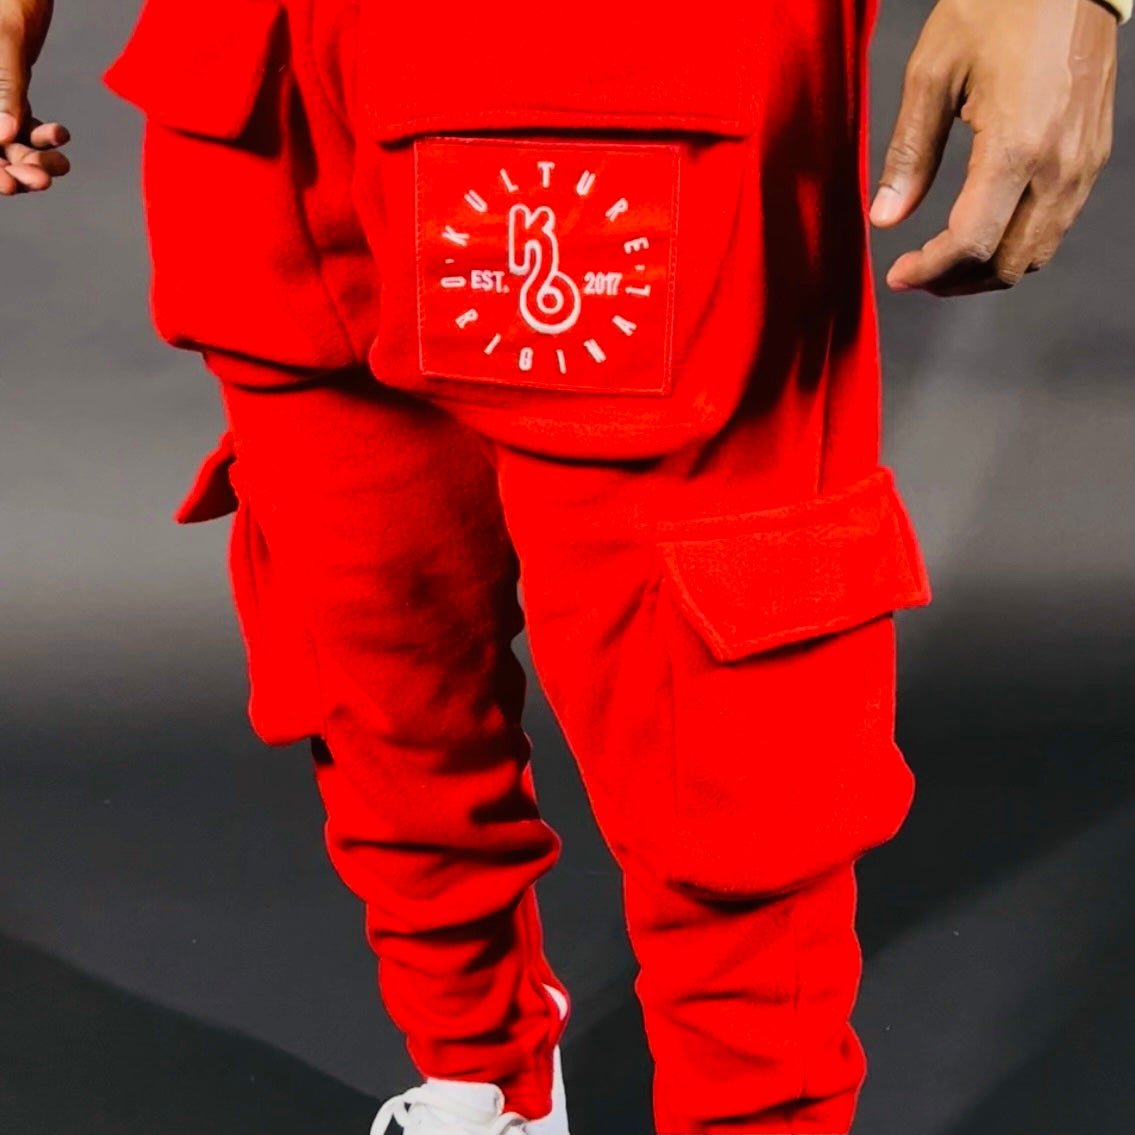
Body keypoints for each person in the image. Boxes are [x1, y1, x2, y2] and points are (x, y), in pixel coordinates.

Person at [2, 0, 1124, 1131]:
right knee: (368, 642)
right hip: (252, 71)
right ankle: (481, 1076)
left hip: (610, 59)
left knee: (720, 711)